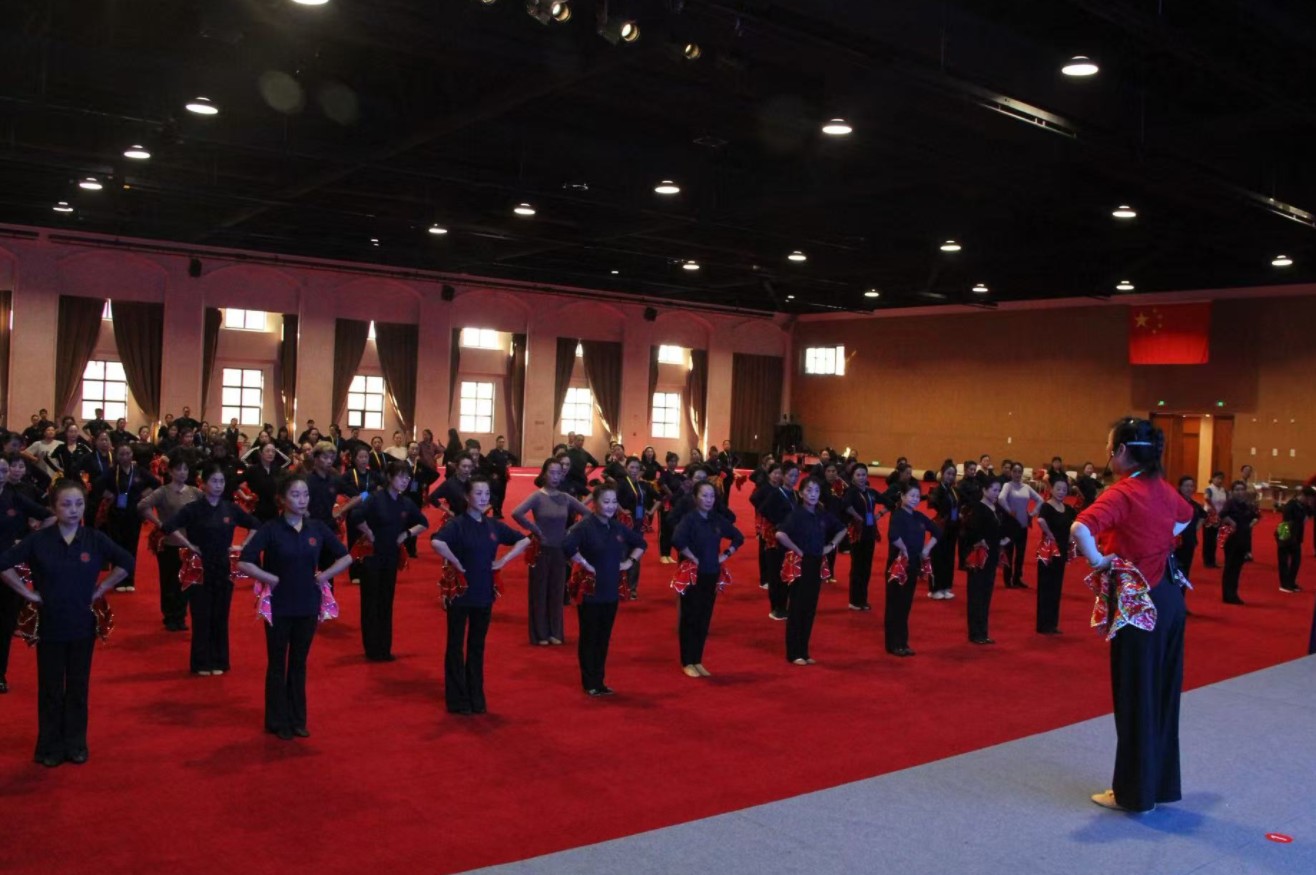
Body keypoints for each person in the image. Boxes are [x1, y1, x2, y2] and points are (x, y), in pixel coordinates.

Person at [1071, 417, 1195, 813]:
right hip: (1170, 597)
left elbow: (1080, 528)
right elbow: (1187, 516)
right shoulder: (1162, 487)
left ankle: (1133, 793)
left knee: (1135, 694)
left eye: (1110, 447)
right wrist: (1156, 540)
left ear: (1121, 450)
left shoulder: (1124, 492)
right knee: (1162, 695)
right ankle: (1158, 785)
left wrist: (1099, 560)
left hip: (1140, 602)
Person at [0, 480, 133, 766]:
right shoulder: (39, 540)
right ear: (53, 507)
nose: (73, 510)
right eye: (66, 504)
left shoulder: (94, 538)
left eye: (79, 504)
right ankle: (49, 747)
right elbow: (4, 564)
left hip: (82, 625)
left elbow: (126, 562)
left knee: (77, 687)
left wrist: (101, 588)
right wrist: (27, 593)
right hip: (50, 625)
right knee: (50, 689)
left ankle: (76, 743)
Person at [238, 476, 352, 740]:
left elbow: (346, 556)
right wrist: (269, 578)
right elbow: (244, 561)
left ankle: (298, 719)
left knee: (299, 663)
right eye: (295, 495)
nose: (302, 500)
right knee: (277, 663)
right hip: (278, 605)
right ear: (281, 499)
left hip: (307, 604)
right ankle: (277, 720)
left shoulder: (316, 528)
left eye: (305, 495)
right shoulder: (271, 529)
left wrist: (324, 576)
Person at [431, 476, 530, 715]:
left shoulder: (493, 525)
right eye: (478, 493)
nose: (484, 498)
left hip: (484, 593)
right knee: (455, 646)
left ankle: (476, 696)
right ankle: (457, 699)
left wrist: (503, 560)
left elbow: (524, 540)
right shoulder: (457, 524)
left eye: (486, 494)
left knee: (477, 646)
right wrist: (456, 563)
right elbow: (437, 542)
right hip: (461, 593)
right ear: (467, 497)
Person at [162, 461, 261, 675]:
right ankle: (201, 662)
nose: (218, 485)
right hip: (199, 566)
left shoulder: (230, 508)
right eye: (214, 481)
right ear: (203, 484)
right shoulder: (193, 508)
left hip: (223, 566)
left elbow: (255, 524)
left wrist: (242, 546)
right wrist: (188, 545)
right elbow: (168, 526)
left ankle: (219, 660)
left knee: (220, 614)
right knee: (201, 614)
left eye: (221, 481)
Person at [561, 481, 646, 694]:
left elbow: (641, 543)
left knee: (604, 638)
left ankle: (599, 681)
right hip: (590, 591)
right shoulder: (585, 526)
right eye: (606, 501)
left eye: (613, 502)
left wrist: (629, 562)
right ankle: (589, 682)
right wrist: (584, 563)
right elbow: (566, 546)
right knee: (589, 637)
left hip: (610, 591)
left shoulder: (616, 526)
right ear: (595, 503)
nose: (610, 506)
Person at [355, 461, 429, 662]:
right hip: (372, 556)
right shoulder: (375, 498)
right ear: (389, 477)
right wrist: (369, 533)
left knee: (386, 602)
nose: (405, 481)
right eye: (400, 476)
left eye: (407, 477)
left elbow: (424, 523)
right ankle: (371, 648)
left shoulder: (406, 503)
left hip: (391, 556)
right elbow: (356, 516)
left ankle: (384, 648)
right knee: (370, 603)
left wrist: (406, 534)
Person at [512, 459, 590, 646]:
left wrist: (571, 530)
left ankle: (555, 632)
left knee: (556, 592)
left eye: (558, 473)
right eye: (552, 472)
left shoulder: (565, 497)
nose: (555, 477)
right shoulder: (537, 496)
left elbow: (588, 513)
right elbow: (516, 513)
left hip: (560, 551)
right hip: (540, 550)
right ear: (544, 474)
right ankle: (540, 633)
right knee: (539, 592)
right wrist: (534, 529)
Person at [672, 480, 744, 677]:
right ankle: (687, 661)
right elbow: (677, 540)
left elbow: (738, 537)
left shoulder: (716, 519)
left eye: (712, 496)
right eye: (704, 495)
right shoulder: (689, 519)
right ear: (695, 498)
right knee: (690, 617)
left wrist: (726, 554)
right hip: (693, 575)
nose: (708, 499)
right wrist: (692, 557)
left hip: (711, 573)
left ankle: (697, 659)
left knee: (704, 617)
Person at [775, 476, 845, 665]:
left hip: (816, 563)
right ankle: (794, 652)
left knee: (810, 608)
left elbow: (842, 529)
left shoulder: (822, 514)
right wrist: (798, 550)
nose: (813, 494)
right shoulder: (796, 514)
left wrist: (831, 546)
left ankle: (804, 651)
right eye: (808, 490)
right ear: (801, 493)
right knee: (797, 607)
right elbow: (780, 534)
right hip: (800, 563)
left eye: (816, 491)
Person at [0, 456, 55, 694]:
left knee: (4, 623)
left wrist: (30, 541)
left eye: (3, 470)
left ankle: (0, 674)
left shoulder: (15, 497)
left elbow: (50, 516)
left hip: (8, 567)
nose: (1, 474)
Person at [137, 455, 202, 631]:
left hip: (189, 544)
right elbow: (142, 506)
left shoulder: (194, 492)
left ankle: (180, 615)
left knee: (186, 581)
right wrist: (160, 524)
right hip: (168, 544)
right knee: (169, 581)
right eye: (178, 469)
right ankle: (169, 615)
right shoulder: (163, 491)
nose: (182, 473)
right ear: (171, 471)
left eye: (185, 469)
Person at [90, 444, 160, 593]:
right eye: (122, 454)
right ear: (117, 456)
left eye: (128, 453)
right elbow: (96, 484)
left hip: (134, 514)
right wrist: (108, 494)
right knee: (117, 546)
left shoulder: (139, 471)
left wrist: (144, 494)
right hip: (115, 514)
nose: (125, 457)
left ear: (132, 455)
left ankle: (130, 579)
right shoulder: (112, 472)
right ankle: (118, 580)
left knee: (131, 546)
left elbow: (156, 483)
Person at [884, 481, 939, 657]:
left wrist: (927, 549)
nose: (915, 499)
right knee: (895, 604)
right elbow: (893, 536)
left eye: (917, 496)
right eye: (911, 496)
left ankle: (903, 642)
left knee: (906, 605)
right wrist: (904, 549)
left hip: (913, 565)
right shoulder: (898, 515)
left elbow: (937, 531)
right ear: (902, 497)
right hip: (898, 566)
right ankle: (893, 644)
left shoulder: (919, 516)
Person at [961, 479, 1011, 644]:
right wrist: (980, 540)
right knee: (976, 594)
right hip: (979, 557)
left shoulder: (996, 508)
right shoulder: (978, 508)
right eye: (994, 490)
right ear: (984, 490)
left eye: (998, 490)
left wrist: (1004, 539)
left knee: (986, 595)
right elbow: (970, 531)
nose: (997, 493)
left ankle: (983, 631)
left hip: (991, 557)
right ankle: (975, 633)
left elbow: (1002, 528)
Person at [1034, 475, 1077, 634]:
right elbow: (1040, 521)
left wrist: (1071, 537)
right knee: (1046, 586)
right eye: (1058, 489)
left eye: (1064, 490)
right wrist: (1049, 533)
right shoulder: (1046, 506)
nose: (1061, 492)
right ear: (1051, 489)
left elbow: (1075, 523)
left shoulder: (1068, 509)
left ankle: (1052, 623)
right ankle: (1043, 624)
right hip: (1049, 551)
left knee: (1056, 588)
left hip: (1062, 551)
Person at [843, 464, 887, 611]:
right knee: (857, 566)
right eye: (858, 475)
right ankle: (854, 600)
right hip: (857, 532)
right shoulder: (851, 492)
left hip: (870, 532)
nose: (861, 478)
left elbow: (889, 502)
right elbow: (846, 506)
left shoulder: (870, 492)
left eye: (864, 475)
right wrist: (857, 516)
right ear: (852, 477)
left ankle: (863, 599)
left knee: (867, 567)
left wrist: (879, 514)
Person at [998, 462, 1043, 588]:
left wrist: (1032, 513)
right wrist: (1009, 510)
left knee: (1021, 554)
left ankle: (1017, 578)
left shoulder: (1026, 487)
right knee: (1009, 553)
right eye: (1015, 471)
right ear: (1011, 472)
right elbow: (1001, 498)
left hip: (1023, 525)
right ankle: (1007, 579)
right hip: (1010, 525)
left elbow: (1040, 500)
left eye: (1019, 472)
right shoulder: (1007, 485)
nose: (1017, 474)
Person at [614, 457, 649, 600]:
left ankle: (632, 587)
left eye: (637, 468)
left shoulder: (641, 485)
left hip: (638, 524)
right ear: (626, 468)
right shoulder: (621, 484)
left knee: (636, 556)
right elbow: (613, 500)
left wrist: (648, 511)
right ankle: (620, 587)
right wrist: (622, 510)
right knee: (622, 554)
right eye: (631, 467)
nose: (634, 471)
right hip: (624, 525)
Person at [925, 462, 961, 600]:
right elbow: (933, 503)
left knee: (949, 557)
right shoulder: (937, 490)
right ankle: (935, 588)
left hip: (952, 527)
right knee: (937, 558)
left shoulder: (954, 490)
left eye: (953, 474)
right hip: (940, 527)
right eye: (948, 474)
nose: (950, 477)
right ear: (942, 474)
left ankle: (946, 586)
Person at [1219, 480, 1258, 605]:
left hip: (1243, 538)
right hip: (1231, 538)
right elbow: (1222, 515)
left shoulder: (1247, 504)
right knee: (1230, 567)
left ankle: (1233, 593)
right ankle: (1227, 594)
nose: (1240, 492)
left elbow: (1256, 516)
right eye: (1237, 490)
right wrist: (1231, 522)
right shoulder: (1230, 503)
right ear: (1232, 491)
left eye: (1242, 489)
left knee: (1237, 568)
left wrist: (1251, 523)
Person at [1276, 486, 1314, 594]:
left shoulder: (1305, 506)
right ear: (1303, 496)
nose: (1310, 501)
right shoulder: (1291, 505)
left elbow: (1310, 514)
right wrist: (1284, 539)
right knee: (1283, 561)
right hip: (1285, 532)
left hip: (1297, 536)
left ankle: (1291, 582)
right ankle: (1284, 584)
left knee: (1296, 561)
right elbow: (1285, 523)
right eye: (1309, 499)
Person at [1172, 476, 1206, 582]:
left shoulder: (1194, 504)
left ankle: (1182, 589)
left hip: (1190, 540)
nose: (1189, 488)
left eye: (1191, 486)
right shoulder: (1174, 502)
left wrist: (1196, 528)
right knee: (1174, 568)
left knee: (1186, 567)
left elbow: (1203, 515)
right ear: (1180, 487)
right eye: (1186, 486)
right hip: (1175, 541)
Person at [1201, 471, 1228, 568]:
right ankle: (1207, 560)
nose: (1220, 480)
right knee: (1208, 539)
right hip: (1210, 517)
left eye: (1221, 478)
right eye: (1217, 478)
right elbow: (1207, 498)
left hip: (1219, 517)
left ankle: (1212, 560)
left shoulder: (1223, 490)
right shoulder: (1209, 489)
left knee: (1214, 540)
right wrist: (1213, 509)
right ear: (1212, 479)